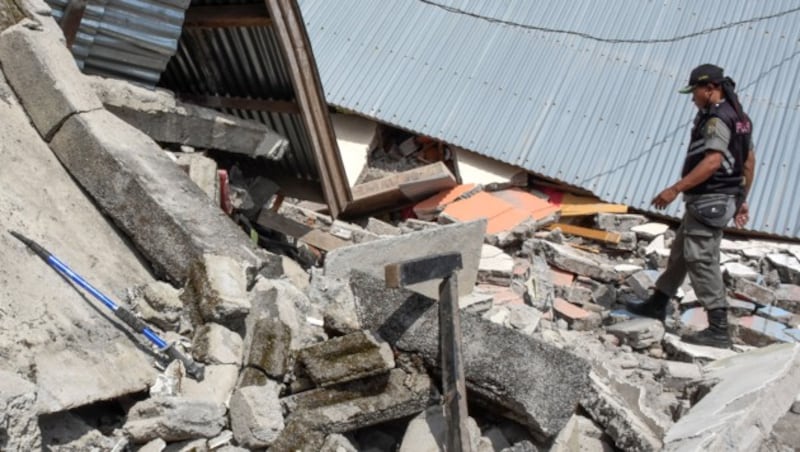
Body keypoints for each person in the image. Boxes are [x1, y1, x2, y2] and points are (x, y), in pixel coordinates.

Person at [627, 64, 756, 348]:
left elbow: (712, 162)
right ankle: (658, 303)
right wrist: (742, 197)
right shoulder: (740, 117)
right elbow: (747, 161)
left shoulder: (717, 119)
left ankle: (718, 328)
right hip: (720, 198)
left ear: (710, 88)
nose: (692, 98)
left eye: (694, 91)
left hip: (711, 199)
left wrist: (674, 189)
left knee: (701, 259)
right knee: (682, 252)